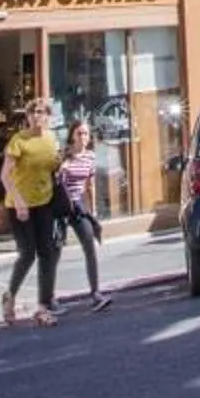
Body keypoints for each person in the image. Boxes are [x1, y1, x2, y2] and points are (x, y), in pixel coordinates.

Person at [0, 96, 63, 327]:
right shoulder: (19, 141)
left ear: (48, 116)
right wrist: (18, 202)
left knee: (48, 253)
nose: (38, 116)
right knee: (27, 254)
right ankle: (10, 296)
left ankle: (43, 307)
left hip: (44, 203)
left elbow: (53, 167)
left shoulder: (51, 139)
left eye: (43, 112)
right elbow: (5, 175)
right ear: (27, 117)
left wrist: (62, 160)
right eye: (34, 112)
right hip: (20, 206)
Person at [55, 120, 114, 314]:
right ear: (72, 135)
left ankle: (95, 293)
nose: (83, 137)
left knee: (89, 245)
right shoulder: (64, 154)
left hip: (78, 205)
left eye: (86, 134)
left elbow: (90, 184)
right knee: (54, 251)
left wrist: (92, 210)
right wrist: (63, 164)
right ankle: (49, 298)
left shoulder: (89, 156)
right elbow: (55, 179)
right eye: (79, 133)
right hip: (61, 206)